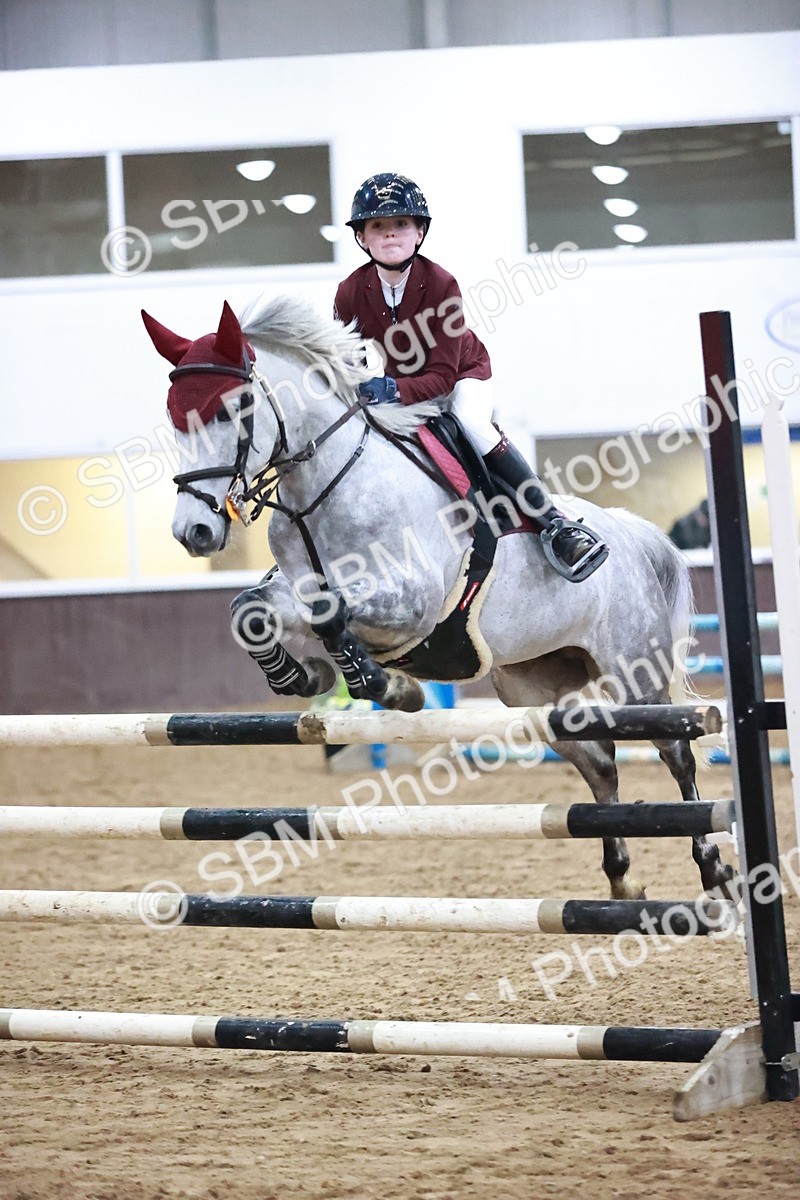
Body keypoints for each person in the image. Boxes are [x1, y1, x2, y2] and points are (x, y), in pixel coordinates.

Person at [333, 172, 608, 582]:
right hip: (394, 386)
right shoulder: (349, 292)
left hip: (461, 374)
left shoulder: (442, 284)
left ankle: (555, 523)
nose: (390, 235)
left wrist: (391, 389)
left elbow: (442, 379)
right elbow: (347, 360)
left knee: (471, 423)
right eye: (378, 226)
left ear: (420, 232)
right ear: (363, 237)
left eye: (401, 225)